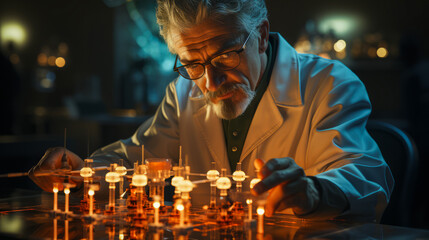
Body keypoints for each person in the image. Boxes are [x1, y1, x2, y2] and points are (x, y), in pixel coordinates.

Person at [29, 0, 393, 222]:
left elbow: (366, 174)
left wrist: (314, 192)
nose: (212, 80)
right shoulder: (185, 89)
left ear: (262, 35)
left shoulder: (327, 83)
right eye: (193, 63)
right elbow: (139, 157)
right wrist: (83, 171)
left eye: (226, 55)